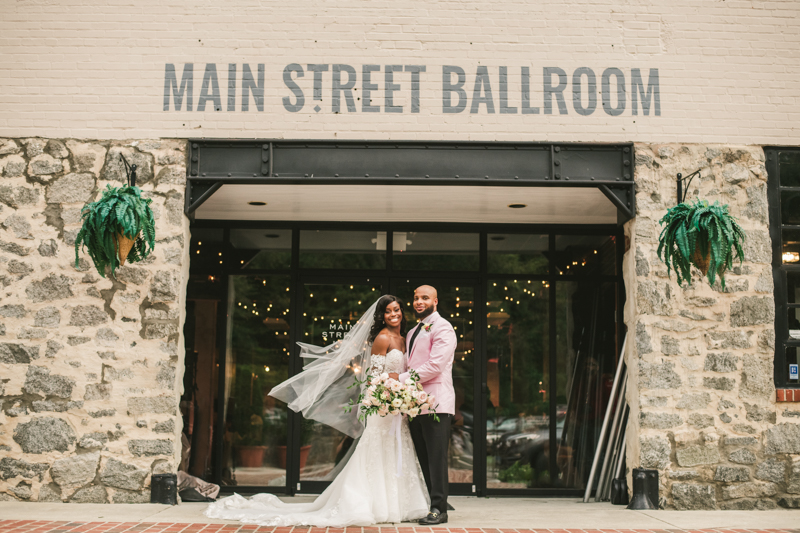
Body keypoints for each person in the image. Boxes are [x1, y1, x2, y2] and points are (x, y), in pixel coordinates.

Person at [205, 295, 430, 526]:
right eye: (388, 311)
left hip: (396, 408)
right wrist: (391, 392)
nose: (393, 315)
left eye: (397, 310)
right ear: (381, 316)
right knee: (375, 453)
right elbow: (373, 377)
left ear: (402, 311)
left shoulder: (403, 338)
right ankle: (370, 504)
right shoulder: (382, 338)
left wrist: (403, 396)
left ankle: (398, 504)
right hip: (383, 406)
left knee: (395, 452)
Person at [393, 285, 457, 525]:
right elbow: (411, 364)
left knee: (436, 458)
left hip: (436, 403)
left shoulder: (443, 327)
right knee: (423, 458)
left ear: (435, 301)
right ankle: (431, 504)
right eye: (416, 298)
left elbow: (435, 366)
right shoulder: (411, 332)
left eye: (424, 298)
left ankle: (440, 509)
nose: (419, 301)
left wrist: (399, 380)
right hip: (413, 404)